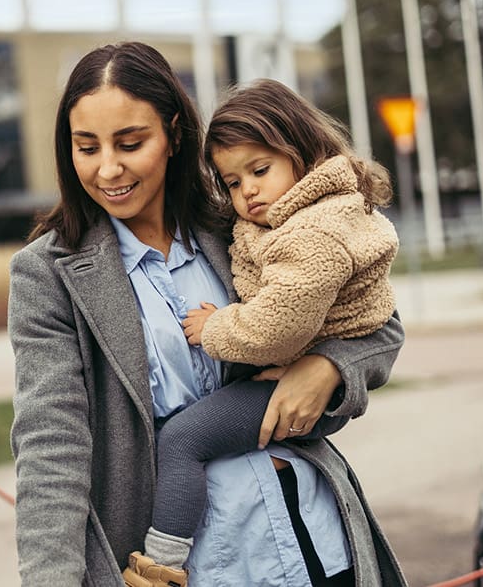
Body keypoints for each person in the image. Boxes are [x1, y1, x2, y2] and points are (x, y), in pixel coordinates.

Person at [7, 41, 407, 587]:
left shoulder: (242, 221)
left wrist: (328, 368)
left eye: (130, 143)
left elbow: (376, 320)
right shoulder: (47, 274)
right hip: (185, 568)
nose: (108, 168)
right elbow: (50, 449)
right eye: (87, 147)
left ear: (174, 134)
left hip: (310, 537)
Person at [124, 79, 401, 585]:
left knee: (183, 438)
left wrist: (219, 327)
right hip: (236, 537)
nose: (246, 192)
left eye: (259, 171)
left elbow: (286, 326)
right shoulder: (286, 218)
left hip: (296, 460)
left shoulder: (311, 231)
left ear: (302, 153)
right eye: (232, 182)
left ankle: (161, 565)